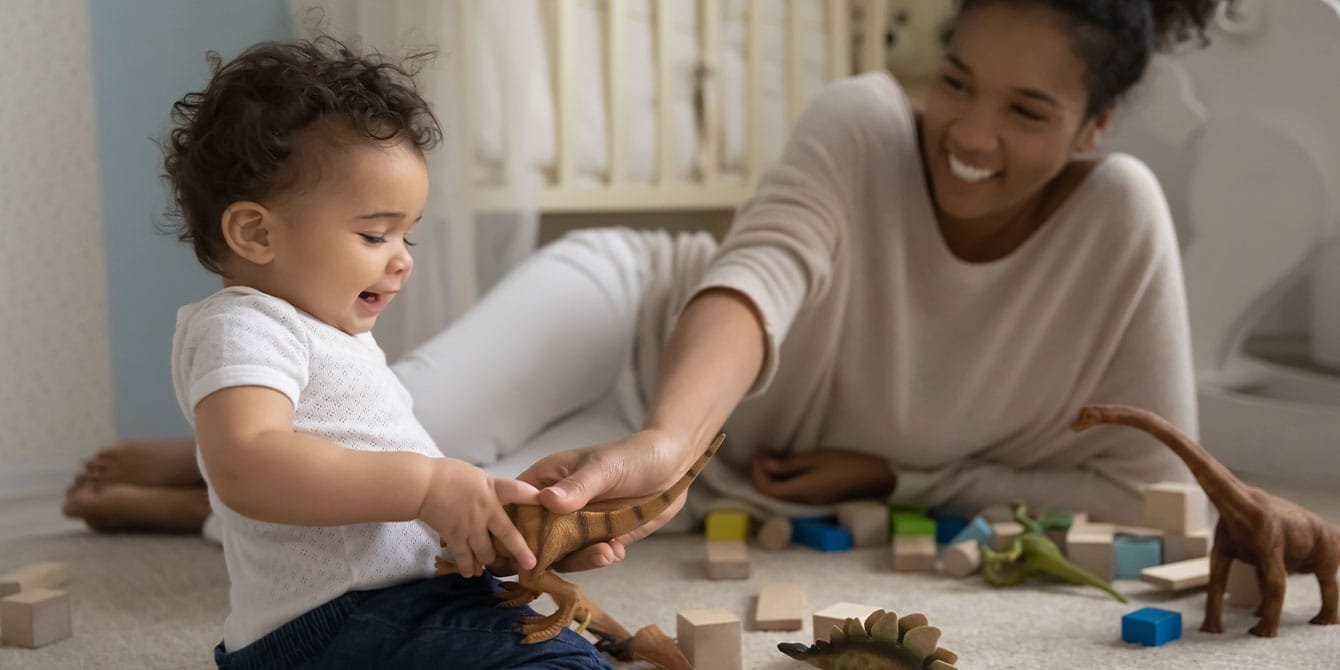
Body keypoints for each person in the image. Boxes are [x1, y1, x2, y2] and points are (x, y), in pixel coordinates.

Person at [67, 0, 1220, 574]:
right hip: (629, 320)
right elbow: (753, 282)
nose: (966, 132)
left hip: (697, 451)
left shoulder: (1117, 223)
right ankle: (229, 452)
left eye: (1024, 112)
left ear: (1096, 126)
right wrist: (670, 437)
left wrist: (898, 474)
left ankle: (209, 481)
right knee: (412, 424)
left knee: (474, 515)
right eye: (957, 82)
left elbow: (1147, 490)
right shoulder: (864, 119)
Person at [144, 37, 609, 669]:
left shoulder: (330, 334)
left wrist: (495, 524)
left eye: (406, 235)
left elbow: (378, 506)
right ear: (256, 232)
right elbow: (247, 463)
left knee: (556, 643)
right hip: (336, 621)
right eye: (374, 233)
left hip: (397, 604)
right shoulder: (243, 325)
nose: (402, 259)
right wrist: (425, 484)